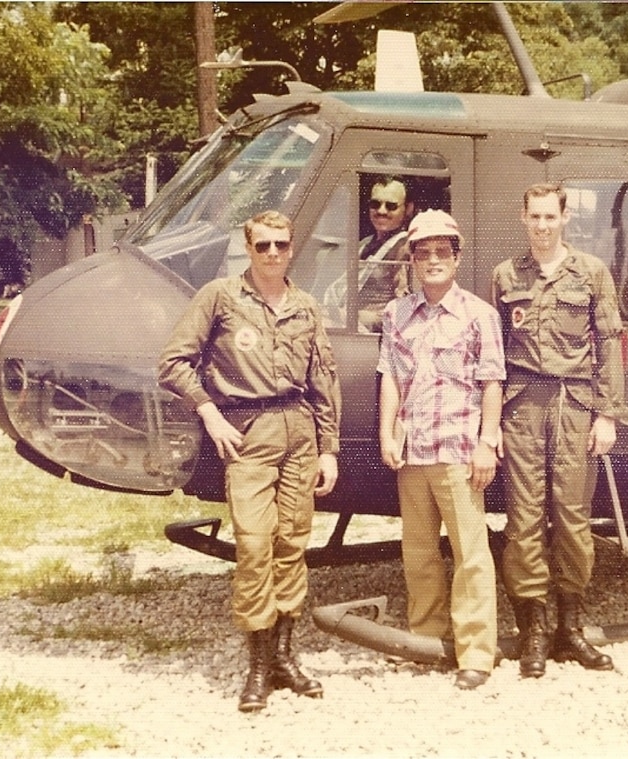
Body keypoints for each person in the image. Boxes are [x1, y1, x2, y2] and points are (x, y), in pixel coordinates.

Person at [158, 210, 341, 712]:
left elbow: (323, 380)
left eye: (282, 244)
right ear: (249, 248)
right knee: (255, 547)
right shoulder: (220, 297)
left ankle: (284, 658)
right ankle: (258, 666)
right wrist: (210, 414)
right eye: (264, 246)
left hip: (299, 433)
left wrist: (328, 449)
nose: (274, 254)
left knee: (292, 543)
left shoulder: (305, 306)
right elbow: (173, 362)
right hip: (248, 434)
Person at [490, 183, 628, 677]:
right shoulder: (507, 275)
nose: (543, 226)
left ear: (564, 218)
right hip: (523, 406)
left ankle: (570, 630)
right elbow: (495, 353)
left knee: (572, 518)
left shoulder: (592, 273)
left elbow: (610, 345)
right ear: (523, 217)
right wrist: (492, 423)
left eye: (551, 217)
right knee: (523, 519)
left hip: (575, 406)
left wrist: (609, 414)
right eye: (535, 217)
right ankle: (533, 630)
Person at [377, 209, 505, 690]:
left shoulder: (479, 315)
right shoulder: (397, 314)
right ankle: (425, 639)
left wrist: (487, 443)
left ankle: (476, 653)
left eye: (442, 251)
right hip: (414, 453)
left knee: (471, 554)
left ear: (457, 255)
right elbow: (391, 376)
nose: (433, 260)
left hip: (458, 451)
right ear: (411, 259)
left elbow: (492, 381)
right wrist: (387, 433)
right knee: (419, 553)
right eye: (423, 251)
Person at [325, 176, 416, 332]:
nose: (381, 211)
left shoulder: (406, 249)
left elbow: (407, 311)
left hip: (371, 336)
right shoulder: (364, 245)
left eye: (391, 206)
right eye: (375, 204)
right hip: (344, 325)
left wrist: (355, 317)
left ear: (408, 209)